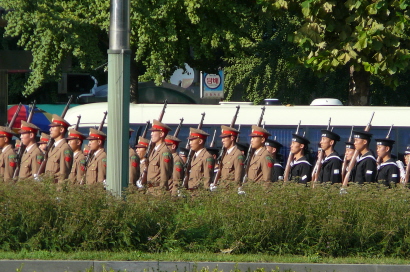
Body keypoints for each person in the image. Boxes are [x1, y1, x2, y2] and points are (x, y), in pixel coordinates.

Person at [146, 120, 173, 195]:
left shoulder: (164, 152)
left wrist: (161, 193)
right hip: (151, 190)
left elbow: (164, 174)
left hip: (158, 192)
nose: (151, 134)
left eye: (154, 132)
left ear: (161, 134)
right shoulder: (154, 150)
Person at [45, 114, 73, 183]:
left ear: (61, 129)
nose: (50, 129)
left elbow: (63, 174)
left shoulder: (65, 148)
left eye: (53, 127)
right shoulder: (53, 147)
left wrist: (59, 191)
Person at [215, 125, 244, 189]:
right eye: (222, 138)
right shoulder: (226, 154)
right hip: (223, 189)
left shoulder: (237, 154)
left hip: (230, 190)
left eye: (224, 137)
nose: (222, 140)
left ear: (232, 138)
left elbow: (238, 175)